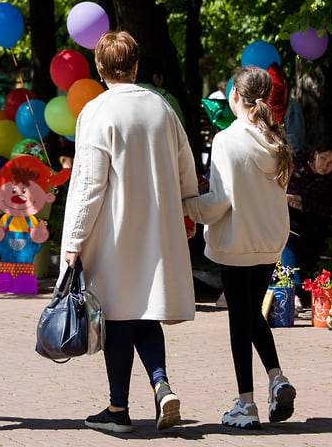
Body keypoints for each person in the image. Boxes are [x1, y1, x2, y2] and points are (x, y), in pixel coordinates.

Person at [61, 30, 199, 434]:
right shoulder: (161, 108)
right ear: (136, 66)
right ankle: (160, 383)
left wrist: (74, 239)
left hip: (114, 229)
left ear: (99, 68)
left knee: (119, 315)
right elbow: (185, 166)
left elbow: (89, 184)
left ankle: (118, 409)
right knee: (146, 308)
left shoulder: (96, 112)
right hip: (158, 225)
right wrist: (189, 211)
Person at [182, 65, 296, 429]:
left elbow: (218, 203)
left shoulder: (227, 140)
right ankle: (276, 379)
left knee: (239, 318)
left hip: (235, 243)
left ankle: (245, 403)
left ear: (234, 95)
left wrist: (185, 205)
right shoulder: (277, 141)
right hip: (268, 244)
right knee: (250, 314)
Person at [280, 140, 332, 295]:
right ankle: (291, 288)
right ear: (315, 154)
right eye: (323, 158)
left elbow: (329, 209)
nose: (325, 166)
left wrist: (303, 202)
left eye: (331, 163)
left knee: (289, 237)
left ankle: (292, 289)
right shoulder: (295, 165)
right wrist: (287, 197)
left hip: (311, 226)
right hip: (282, 217)